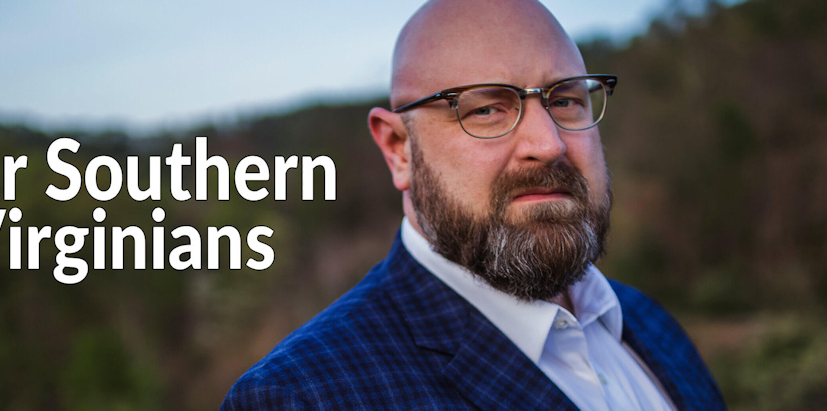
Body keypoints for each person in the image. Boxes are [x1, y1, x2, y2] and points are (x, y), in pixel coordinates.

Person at [222, 0, 725, 409]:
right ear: (399, 149)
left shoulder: (651, 325)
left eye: (567, 100)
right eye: (486, 109)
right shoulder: (303, 397)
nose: (548, 144)